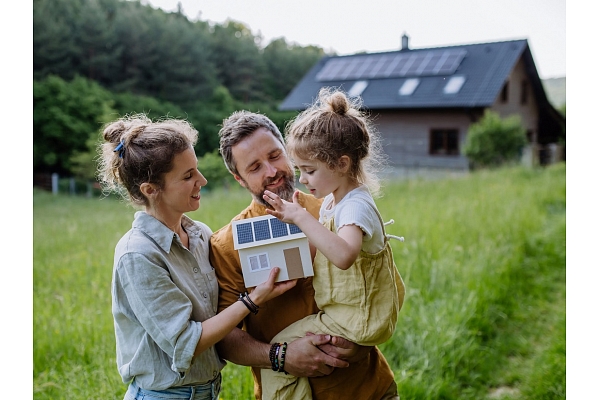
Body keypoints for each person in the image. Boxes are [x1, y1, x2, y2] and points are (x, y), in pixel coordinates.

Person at [97, 114, 295, 400]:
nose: (201, 180)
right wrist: (252, 300)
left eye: (197, 170)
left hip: (208, 391)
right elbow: (185, 342)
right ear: (151, 190)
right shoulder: (137, 254)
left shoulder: (201, 235)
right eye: (188, 176)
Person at [209, 108, 403, 400]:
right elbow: (225, 338)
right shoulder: (226, 244)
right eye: (255, 167)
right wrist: (280, 356)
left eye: (275, 156)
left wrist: (359, 341)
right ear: (239, 179)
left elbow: (378, 284)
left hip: (368, 388)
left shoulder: (334, 205)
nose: (271, 171)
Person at [259, 88, 406, 399]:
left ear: (341, 164)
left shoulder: (355, 207)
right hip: (345, 315)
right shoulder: (334, 201)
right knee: (285, 355)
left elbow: (343, 256)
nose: (303, 179)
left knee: (278, 357)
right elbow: (323, 253)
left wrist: (302, 218)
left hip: (356, 320)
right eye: (300, 170)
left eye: (309, 171)